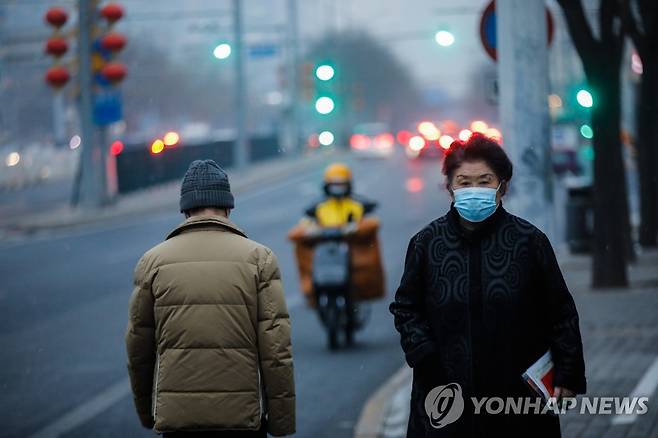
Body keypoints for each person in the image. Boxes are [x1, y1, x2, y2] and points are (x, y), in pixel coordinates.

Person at [389, 134, 586, 437]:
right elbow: (405, 308)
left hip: (518, 400)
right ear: (450, 187)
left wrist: (567, 375)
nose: (474, 190)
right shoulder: (427, 243)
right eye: (464, 182)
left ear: (502, 186)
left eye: (484, 180)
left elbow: (560, 311)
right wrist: (426, 356)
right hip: (443, 397)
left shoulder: (528, 242)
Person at [125, 159, 295, 437]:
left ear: (185, 209)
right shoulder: (259, 258)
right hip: (242, 421)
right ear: (228, 208)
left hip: (178, 421)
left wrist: (147, 413)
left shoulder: (152, 262)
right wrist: (281, 421)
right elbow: (276, 349)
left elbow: (138, 350)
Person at [304, 163, 376, 227]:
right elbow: (300, 230)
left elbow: (373, 223)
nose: (338, 188)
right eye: (334, 184)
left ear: (348, 184)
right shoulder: (317, 205)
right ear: (327, 185)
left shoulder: (359, 203)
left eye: (341, 184)